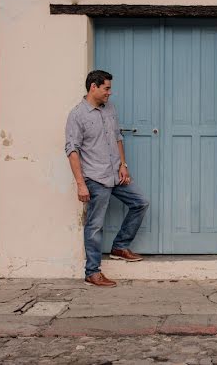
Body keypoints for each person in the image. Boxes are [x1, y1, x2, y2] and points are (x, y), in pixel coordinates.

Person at [65, 70, 150, 287]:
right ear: (93, 87)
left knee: (140, 202)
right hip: (95, 177)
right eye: (107, 88)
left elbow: (117, 138)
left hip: (115, 174)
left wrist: (123, 165)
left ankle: (120, 246)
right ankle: (92, 272)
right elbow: (72, 150)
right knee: (95, 225)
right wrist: (81, 184)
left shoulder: (109, 108)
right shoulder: (77, 115)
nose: (110, 93)